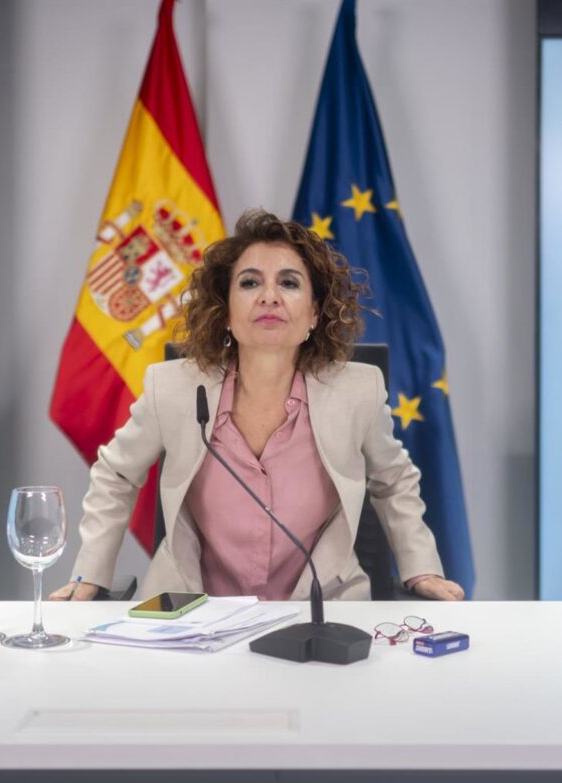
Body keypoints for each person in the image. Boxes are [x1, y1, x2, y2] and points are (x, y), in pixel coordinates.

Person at [51, 209, 465, 602]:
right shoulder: (173, 388)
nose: (269, 296)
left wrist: (420, 568)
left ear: (314, 314)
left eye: (288, 283)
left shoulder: (358, 391)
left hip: (323, 610)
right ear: (226, 312)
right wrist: (90, 573)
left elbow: (393, 480)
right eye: (249, 283)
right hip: (195, 614)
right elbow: (116, 473)